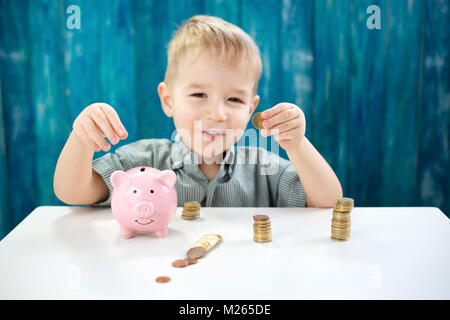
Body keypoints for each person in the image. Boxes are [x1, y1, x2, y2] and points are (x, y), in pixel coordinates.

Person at [53, 15, 342, 208]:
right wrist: (81, 139)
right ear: (168, 100)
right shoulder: (142, 161)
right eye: (199, 94)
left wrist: (298, 144)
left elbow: (328, 200)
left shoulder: (263, 168)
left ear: (252, 108)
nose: (217, 113)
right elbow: (72, 192)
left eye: (234, 100)